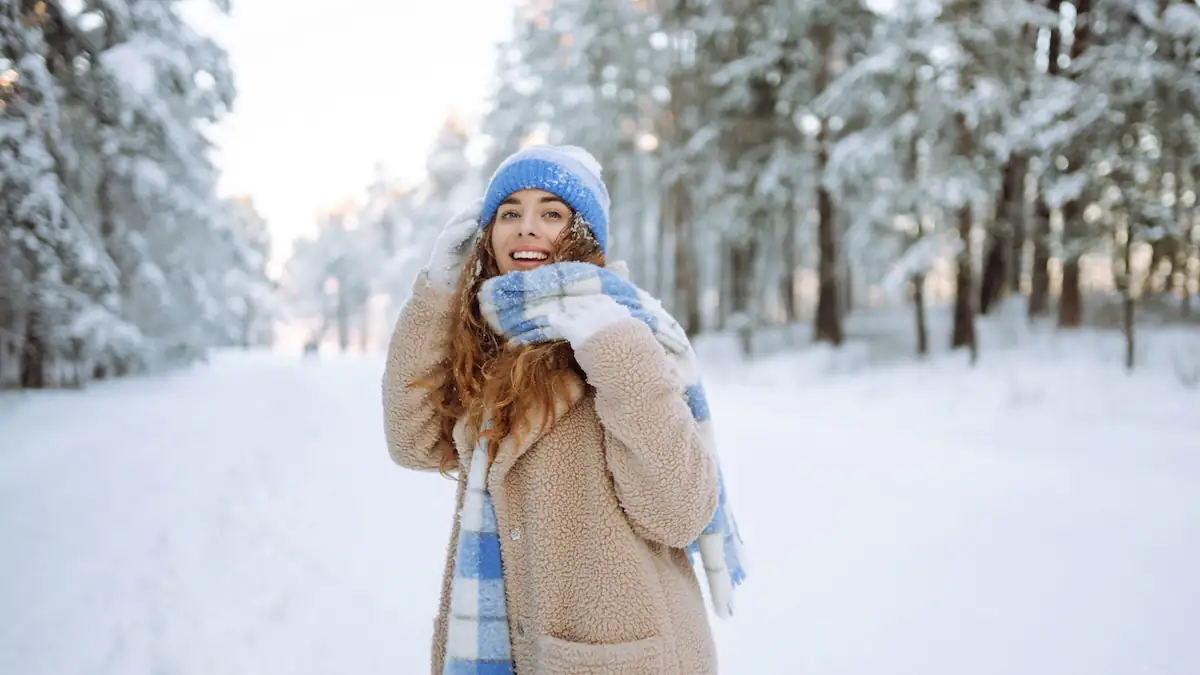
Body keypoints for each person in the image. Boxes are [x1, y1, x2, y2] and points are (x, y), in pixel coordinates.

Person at [383, 145, 744, 675]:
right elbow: (411, 442)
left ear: (583, 234)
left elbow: (680, 511)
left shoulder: (629, 332)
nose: (526, 227)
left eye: (551, 213)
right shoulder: (488, 343)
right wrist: (437, 295)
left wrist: (614, 348)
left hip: (624, 658)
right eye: (510, 213)